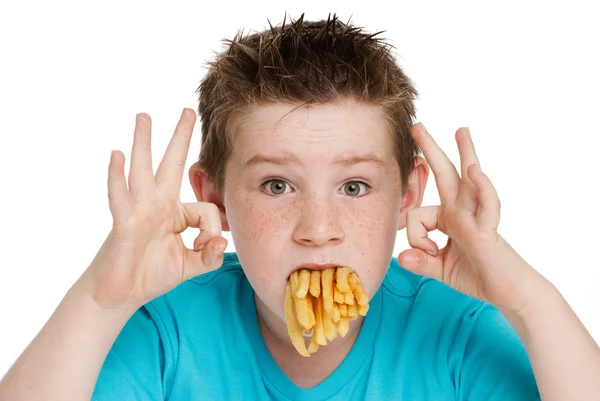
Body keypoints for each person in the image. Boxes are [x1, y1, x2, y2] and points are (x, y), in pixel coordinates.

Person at [0, 14, 598, 401]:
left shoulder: (457, 332)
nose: (318, 231)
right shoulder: (167, 332)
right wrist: (100, 302)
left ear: (408, 198)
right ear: (215, 200)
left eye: (355, 187)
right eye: (278, 186)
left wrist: (528, 301)